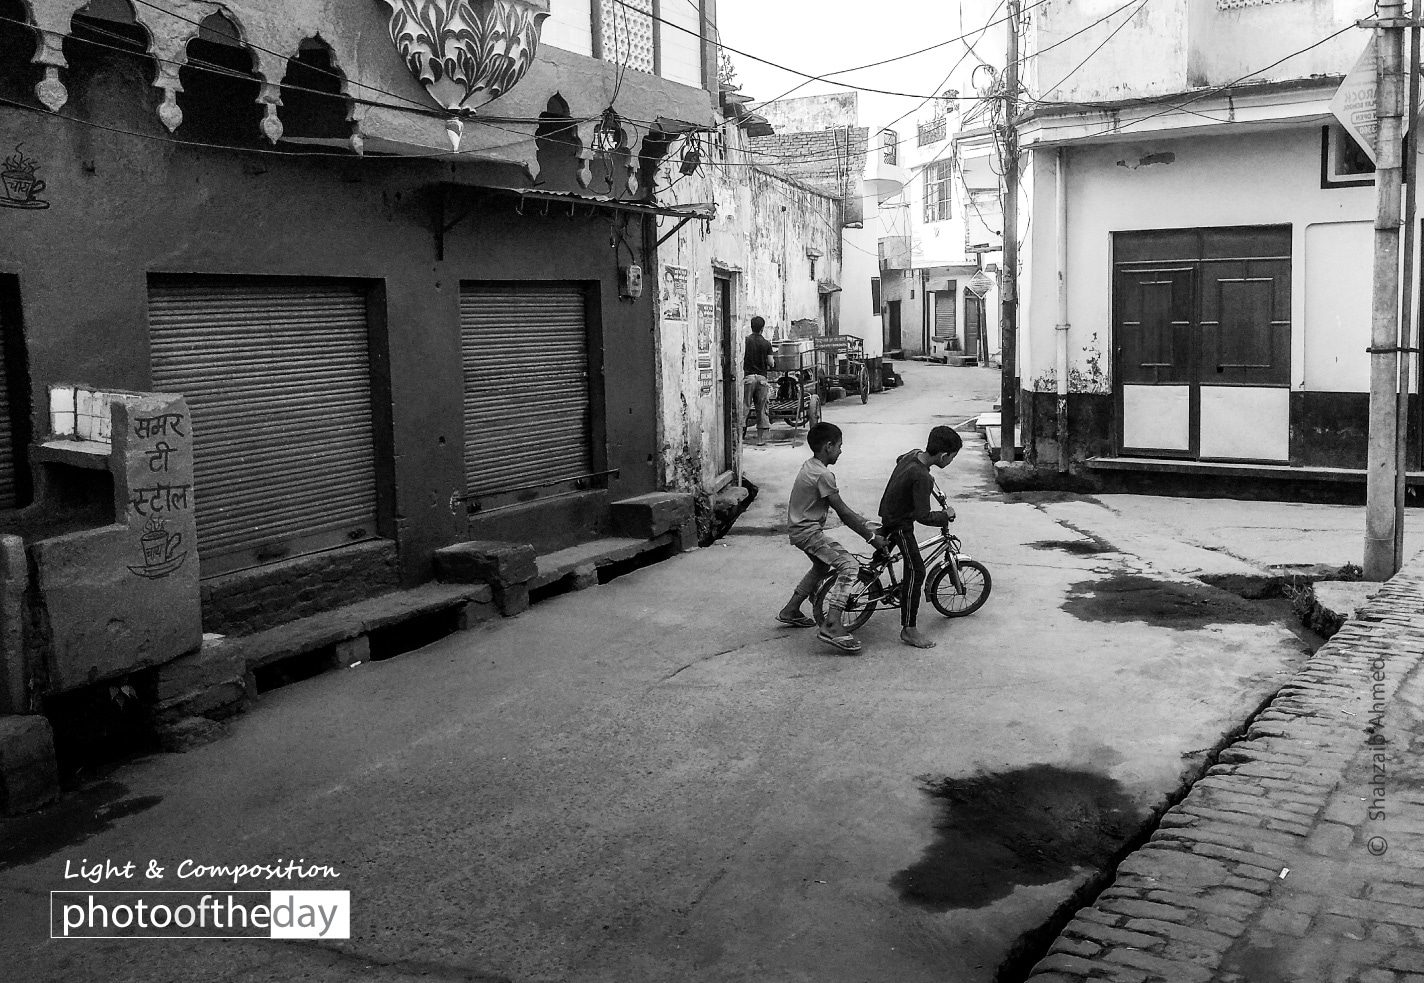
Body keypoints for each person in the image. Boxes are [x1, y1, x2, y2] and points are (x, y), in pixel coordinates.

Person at [778, 422, 888, 654]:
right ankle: (832, 624)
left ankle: (791, 609)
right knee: (849, 566)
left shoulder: (810, 466)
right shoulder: (824, 475)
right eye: (839, 446)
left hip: (799, 529)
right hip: (808, 533)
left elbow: (846, 510)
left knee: (820, 567)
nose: (840, 451)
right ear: (828, 446)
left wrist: (866, 523)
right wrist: (871, 537)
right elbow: (844, 513)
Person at [877, 425, 962, 649]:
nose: (950, 461)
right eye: (952, 458)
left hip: (887, 512)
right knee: (917, 570)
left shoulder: (913, 455)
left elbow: (899, 460)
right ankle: (909, 628)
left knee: (881, 559)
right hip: (900, 523)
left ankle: (868, 578)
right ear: (943, 455)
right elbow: (922, 515)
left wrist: (928, 482)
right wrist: (944, 515)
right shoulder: (922, 476)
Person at [742, 316, 774, 446]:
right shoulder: (766, 343)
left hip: (748, 378)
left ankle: (739, 437)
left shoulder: (745, 341)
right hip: (761, 379)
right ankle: (760, 440)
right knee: (761, 408)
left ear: (751, 327)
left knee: (745, 406)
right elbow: (771, 363)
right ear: (762, 328)